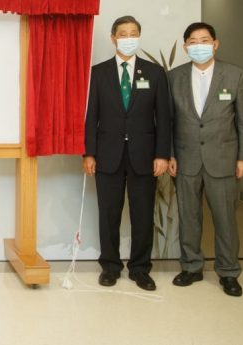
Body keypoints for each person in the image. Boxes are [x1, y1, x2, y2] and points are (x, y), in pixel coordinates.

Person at [83, 15, 171, 291]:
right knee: (108, 214)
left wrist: (162, 154)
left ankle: (140, 269)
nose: (129, 38)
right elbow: (90, 117)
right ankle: (110, 267)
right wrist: (88, 153)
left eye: (134, 33)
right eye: (123, 34)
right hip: (107, 155)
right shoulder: (98, 73)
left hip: (144, 156)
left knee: (143, 214)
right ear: (113, 38)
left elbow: (164, 119)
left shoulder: (154, 73)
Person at [168, 22, 243, 297]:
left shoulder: (235, 75)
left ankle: (228, 272)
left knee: (225, 219)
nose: (199, 45)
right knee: (189, 217)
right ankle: (191, 266)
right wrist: (170, 153)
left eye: (204, 40)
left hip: (224, 160)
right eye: (193, 41)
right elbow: (167, 121)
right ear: (185, 48)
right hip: (185, 159)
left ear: (215, 44)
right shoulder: (173, 77)